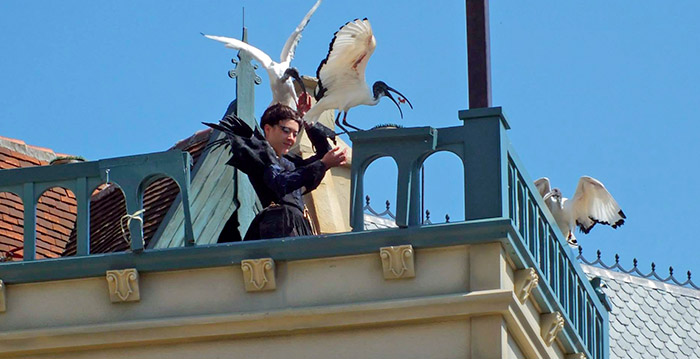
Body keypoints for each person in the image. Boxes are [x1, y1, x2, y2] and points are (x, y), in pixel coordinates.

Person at [204, 104, 346, 241]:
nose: (291, 138)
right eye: (286, 130)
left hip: (299, 224)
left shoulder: (292, 162)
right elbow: (280, 182)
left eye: (295, 134)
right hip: (278, 223)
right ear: (268, 129)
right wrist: (323, 164)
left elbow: (326, 155)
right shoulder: (260, 154)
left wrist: (308, 120)